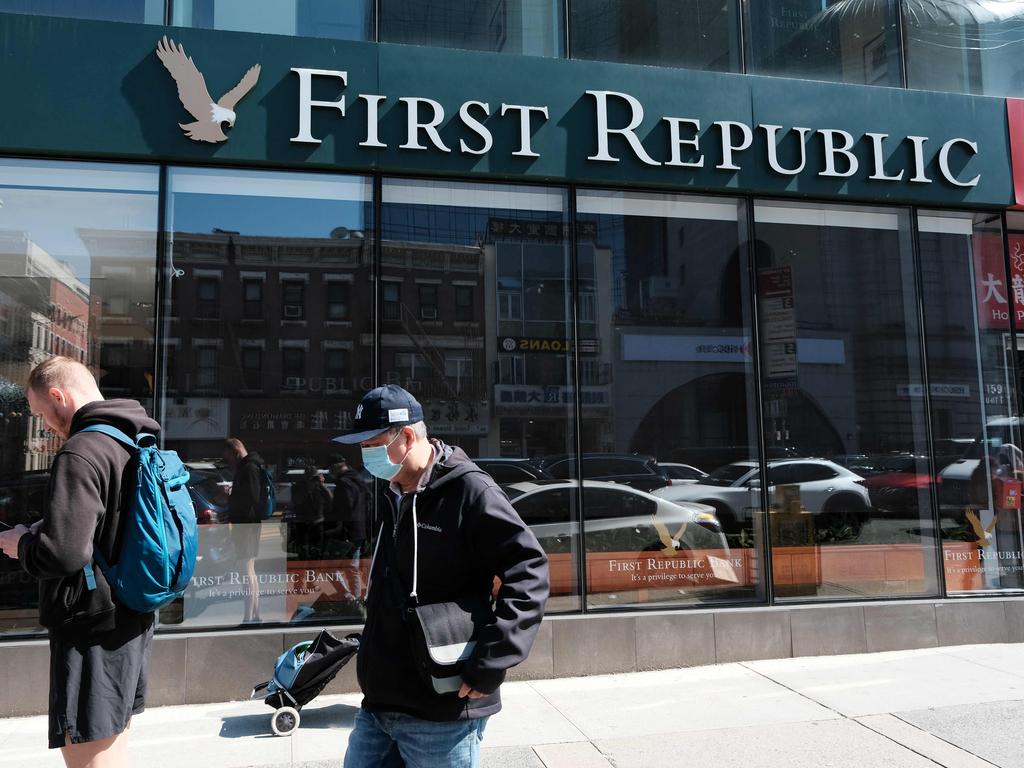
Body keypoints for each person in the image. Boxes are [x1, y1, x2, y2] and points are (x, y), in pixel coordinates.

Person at [333, 384, 549, 768]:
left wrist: (491, 661)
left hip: (441, 711)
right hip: (379, 703)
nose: (366, 455)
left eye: (373, 443)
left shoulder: (470, 490)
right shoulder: (392, 492)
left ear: (409, 436)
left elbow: (529, 569)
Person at [0, 356, 159, 767]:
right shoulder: (134, 438)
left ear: (59, 396)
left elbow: (65, 553)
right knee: (112, 746)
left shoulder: (83, 448)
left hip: (91, 626)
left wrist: (23, 546)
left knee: (89, 756)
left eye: (41, 414)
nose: (46, 426)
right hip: (130, 616)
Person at [222, 437, 266, 624]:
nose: (229, 461)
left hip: (246, 527)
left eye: (229, 457)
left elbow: (252, 498)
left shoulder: (248, 469)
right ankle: (253, 614)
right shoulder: (252, 467)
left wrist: (231, 496)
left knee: (246, 572)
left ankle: (248, 616)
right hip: (249, 526)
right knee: (249, 571)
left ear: (236, 452)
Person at [327, 459, 372, 601]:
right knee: (352, 567)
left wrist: (341, 530)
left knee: (330, 568)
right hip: (359, 531)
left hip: (347, 532)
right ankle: (357, 598)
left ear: (337, 467)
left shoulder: (343, 483)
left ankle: (348, 597)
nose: (330, 473)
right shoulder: (358, 480)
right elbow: (368, 502)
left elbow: (345, 509)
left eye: (331, 469)